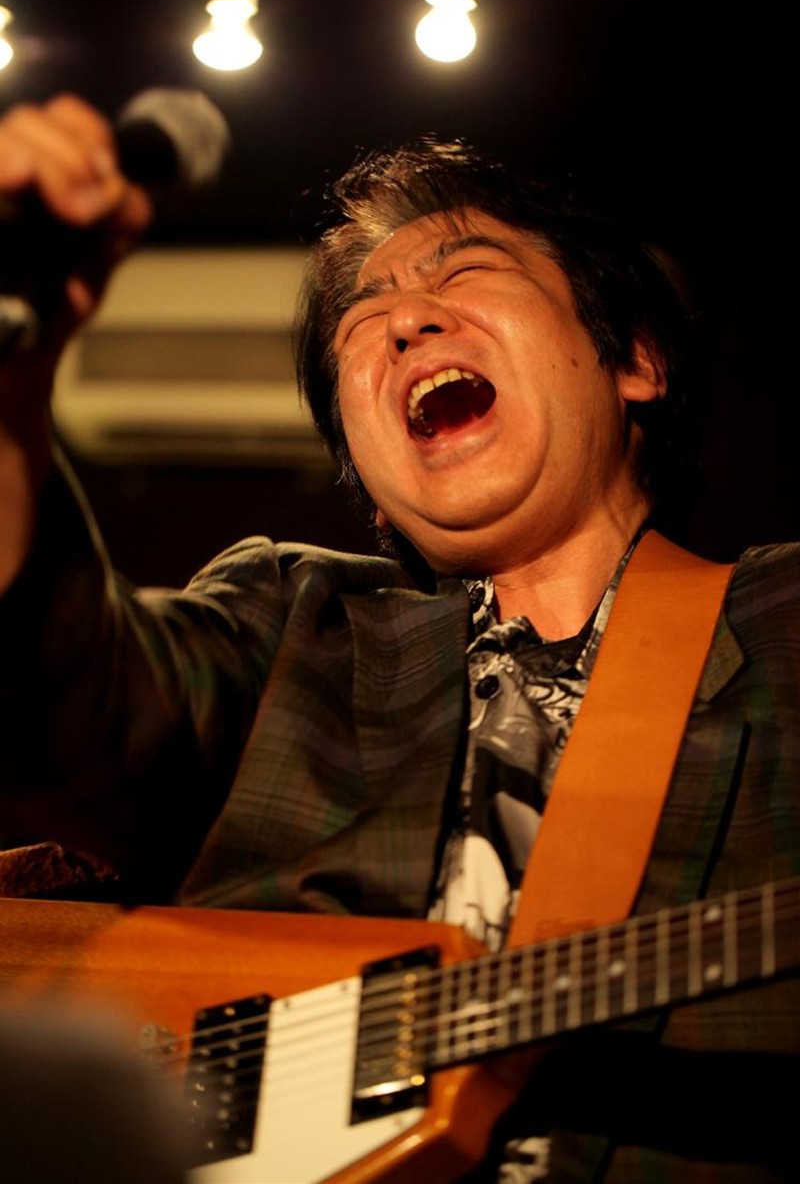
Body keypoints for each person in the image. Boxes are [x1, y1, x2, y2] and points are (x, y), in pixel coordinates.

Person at [0, 96, 797, 1182]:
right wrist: (10, 393)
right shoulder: (294, 624)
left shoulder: (786, 624)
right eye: (360, 318)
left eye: (465, 272)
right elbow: (53, 697)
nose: (406, 321)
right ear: (370, 485)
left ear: (637, 361)